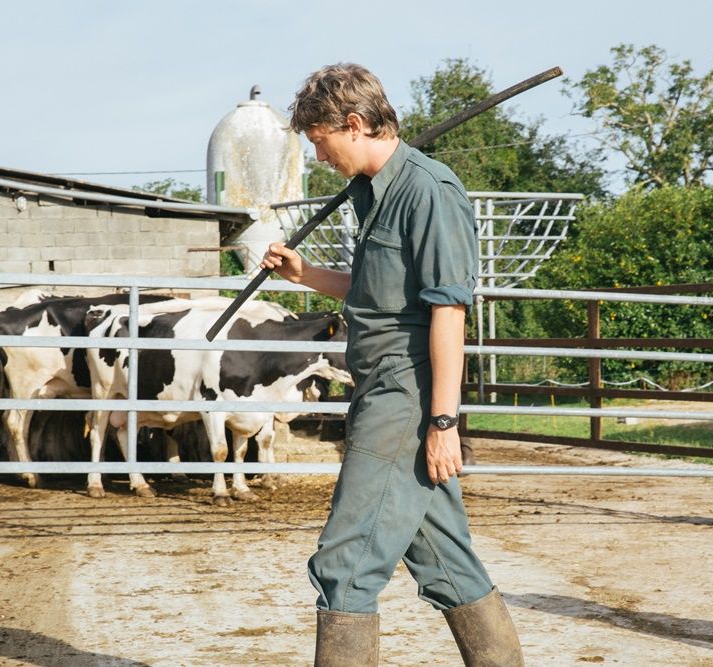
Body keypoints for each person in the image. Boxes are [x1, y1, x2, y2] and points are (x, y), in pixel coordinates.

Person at [261, 63, 523, 667]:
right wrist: (306, 275)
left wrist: (442, 424)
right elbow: (376, 292)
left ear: (352, 125)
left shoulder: (428, 191)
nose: (319, 156)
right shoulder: (375, 196)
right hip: (379, 387)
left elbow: (448, 312)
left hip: (405, 395)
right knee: (444, 560)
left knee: (345, 565)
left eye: (319, 141)